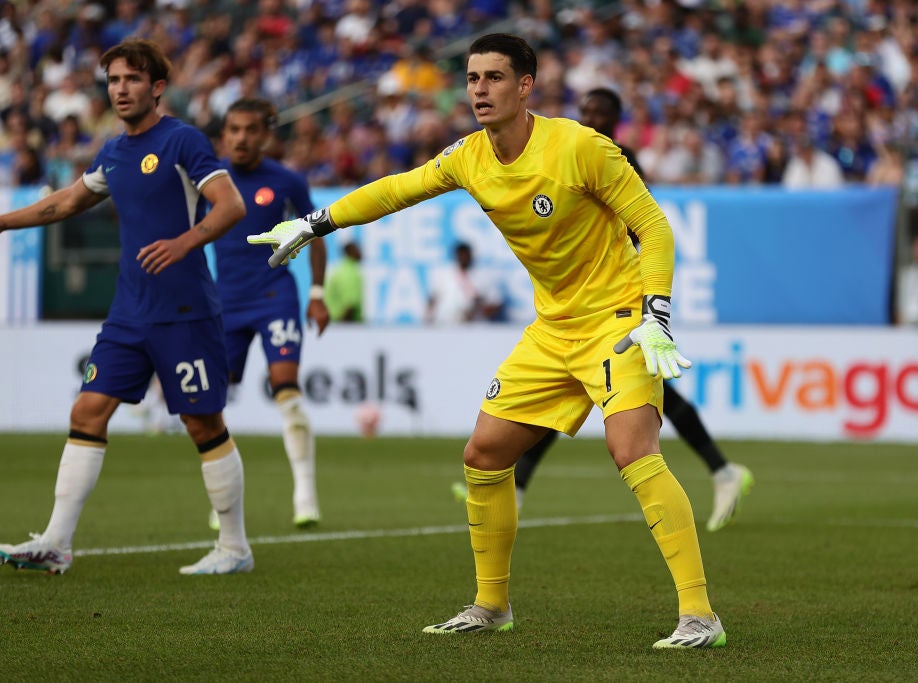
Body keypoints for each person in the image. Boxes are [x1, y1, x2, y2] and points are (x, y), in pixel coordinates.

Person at [249, 33, 726, 649]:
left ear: (526, 86)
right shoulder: (468, 157)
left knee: (632, 451)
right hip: (553, 327)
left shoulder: (581, 147)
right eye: (473, 78)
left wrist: (656, 311)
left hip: (617, 318)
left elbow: (654, 227)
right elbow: (396, 188)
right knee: (484, 455)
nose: (479, 88)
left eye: (494, 77)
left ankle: (699, 616)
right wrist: (317, 223)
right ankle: (491, 605)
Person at [0, 38, 253, 575]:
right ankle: (55, 543)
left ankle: (234, 548)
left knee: (203, 423)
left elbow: (230, 205)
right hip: (129, 312)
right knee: (87, 411)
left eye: (131, 79)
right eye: (113, 80)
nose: (120, 89)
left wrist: (184, 243)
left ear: (157, 87)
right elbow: (66, 202)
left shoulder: (182, 141)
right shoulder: (113, 151)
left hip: (184, 310)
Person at [452, 86, 753, 533]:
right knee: (578, 394)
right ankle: (722, 471)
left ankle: (723, 471)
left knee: (646, 396)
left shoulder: (613, 154)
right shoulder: (570, 147)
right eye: (586, 109)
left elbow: (643, 225)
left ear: (617, 118)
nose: (591, 116)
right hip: (588, 305)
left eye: (600, 112)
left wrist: (637, 293)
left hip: (624, 296)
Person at [211, 97, 328, 529]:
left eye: (250, 130)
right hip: (224, 301)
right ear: (224, 134)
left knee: (286, 390)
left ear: (266, 134)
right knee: (211, 404)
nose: (242, 138)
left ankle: (305, 496)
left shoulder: (286, 181)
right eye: (234, 129)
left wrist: (316, 293)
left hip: (274, 295)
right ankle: (222, 500)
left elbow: (316, 234)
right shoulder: (210, 179)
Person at [425, 241, 506, 324]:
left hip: (473, 326)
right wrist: (428, 318)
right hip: (445, 324)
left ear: (471, 255)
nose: (463, 257)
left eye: (465, 255)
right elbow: (432, 299)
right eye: (460, 255)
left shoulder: (483, 276)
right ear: (455, 256)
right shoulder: (444, 274)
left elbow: (496, 303)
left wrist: (478, 308)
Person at [324, 240, 365, 322]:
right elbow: (350, 305)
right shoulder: (350, 273)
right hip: (343, 324)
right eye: (357, 249)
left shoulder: (340, 270)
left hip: (333, 322)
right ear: (349, 252)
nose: (361, 252)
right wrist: (344, 330)